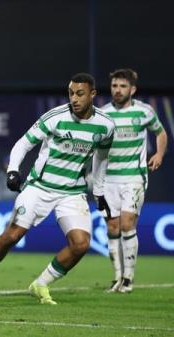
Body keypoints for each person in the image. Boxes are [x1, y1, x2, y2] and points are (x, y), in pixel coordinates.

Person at [0, 73, 115, 305]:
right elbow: (24, 143)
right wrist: (13, 170)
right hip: (39, 187)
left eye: (80, 93)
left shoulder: (106, 126)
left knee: (81, 244)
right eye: (71, 93)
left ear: (93, 94)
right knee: (12, 235)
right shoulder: (55, 117)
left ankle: (41, 283)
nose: (74, 98)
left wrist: (99, 192)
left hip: (72, 192)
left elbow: (101, 158)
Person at [99, 68, 167, 293]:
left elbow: (161, 133)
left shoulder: (144, 112)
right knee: (112, 227)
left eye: (122, 86)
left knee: (127, 223)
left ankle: (128, 278)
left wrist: (158, 154)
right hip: (108, 179)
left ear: (133, 89)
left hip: (133, 177)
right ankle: (116, 277)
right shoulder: (104, 113)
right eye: (114, 86)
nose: (117, 90)